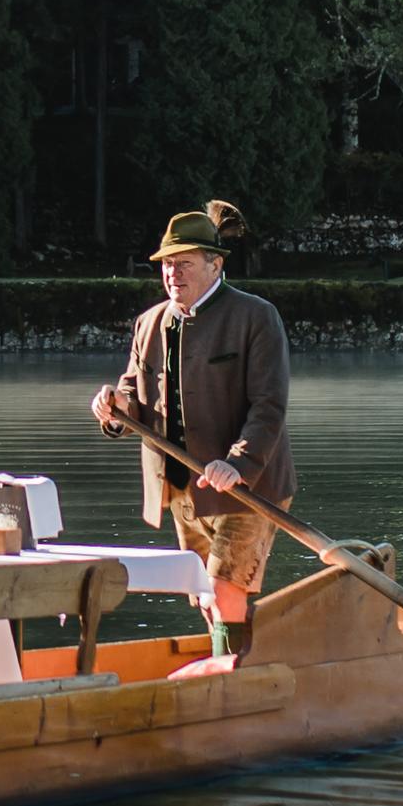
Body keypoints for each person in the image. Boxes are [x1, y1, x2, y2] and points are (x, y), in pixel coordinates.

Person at [92, 201, 288, 663]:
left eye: (183, 263)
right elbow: (133, 392)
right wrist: (114, 407)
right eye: (166, 264)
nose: (172, 273)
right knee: (202, 593)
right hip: (180, 488)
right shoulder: (149, 322)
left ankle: (232, 678)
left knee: (223, 588)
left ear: (215, 264)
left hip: (245, 487)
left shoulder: (256, 317)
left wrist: (237, 464)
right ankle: (236, 662)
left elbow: (269, 405)